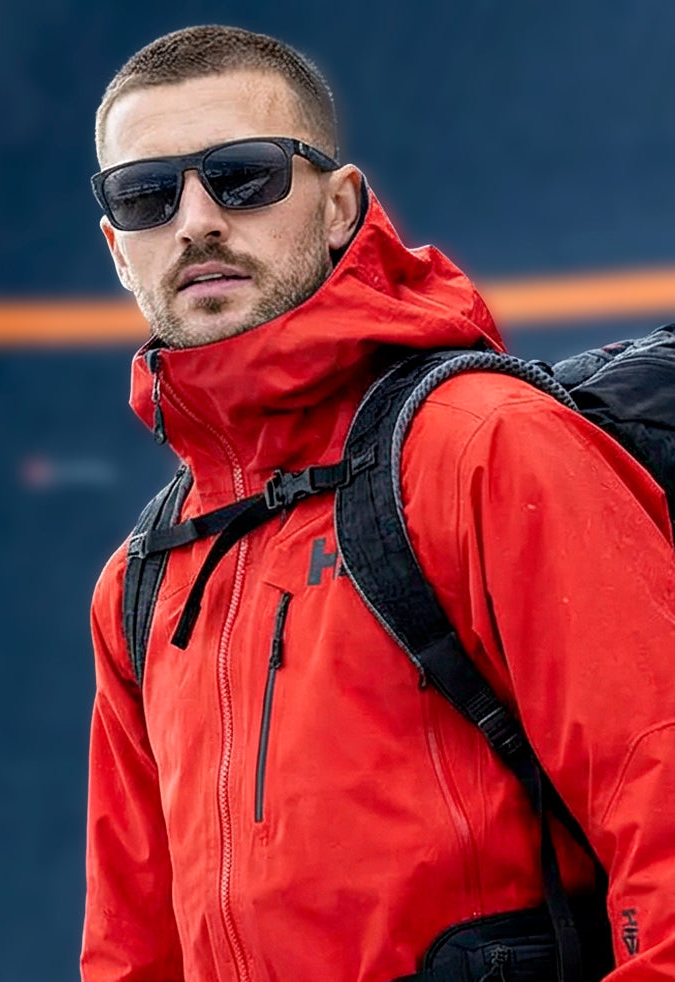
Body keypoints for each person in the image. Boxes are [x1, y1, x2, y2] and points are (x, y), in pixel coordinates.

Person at [81, 24, 675, 982]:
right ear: (118, 249)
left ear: (338, 207)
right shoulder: (141, 580)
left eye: (242, 176)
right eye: (145, 195)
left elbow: (662, 799)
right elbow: (130, 950)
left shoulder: (482, 445)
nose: (195, 221)